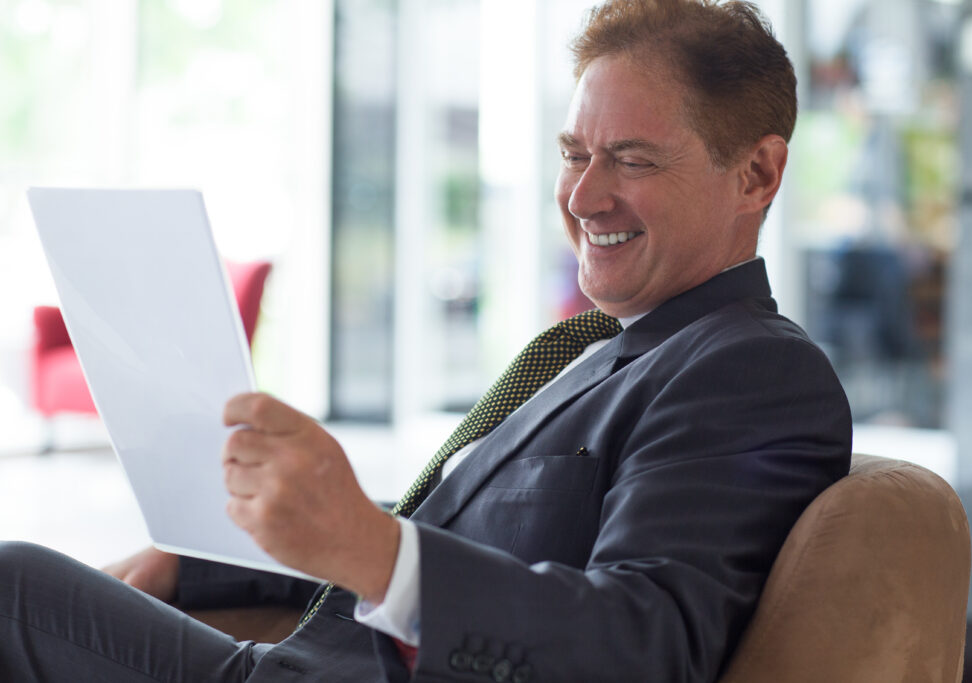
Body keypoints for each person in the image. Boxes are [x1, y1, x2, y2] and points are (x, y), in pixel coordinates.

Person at [0, 1, 851, 681]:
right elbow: (453, 542)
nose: (584, 197)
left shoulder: (752, 370)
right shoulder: (599, 348)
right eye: (574, 152)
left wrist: (367, 546)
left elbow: (641, 645)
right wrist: (208, 567)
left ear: (757, 174)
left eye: (631, 159)